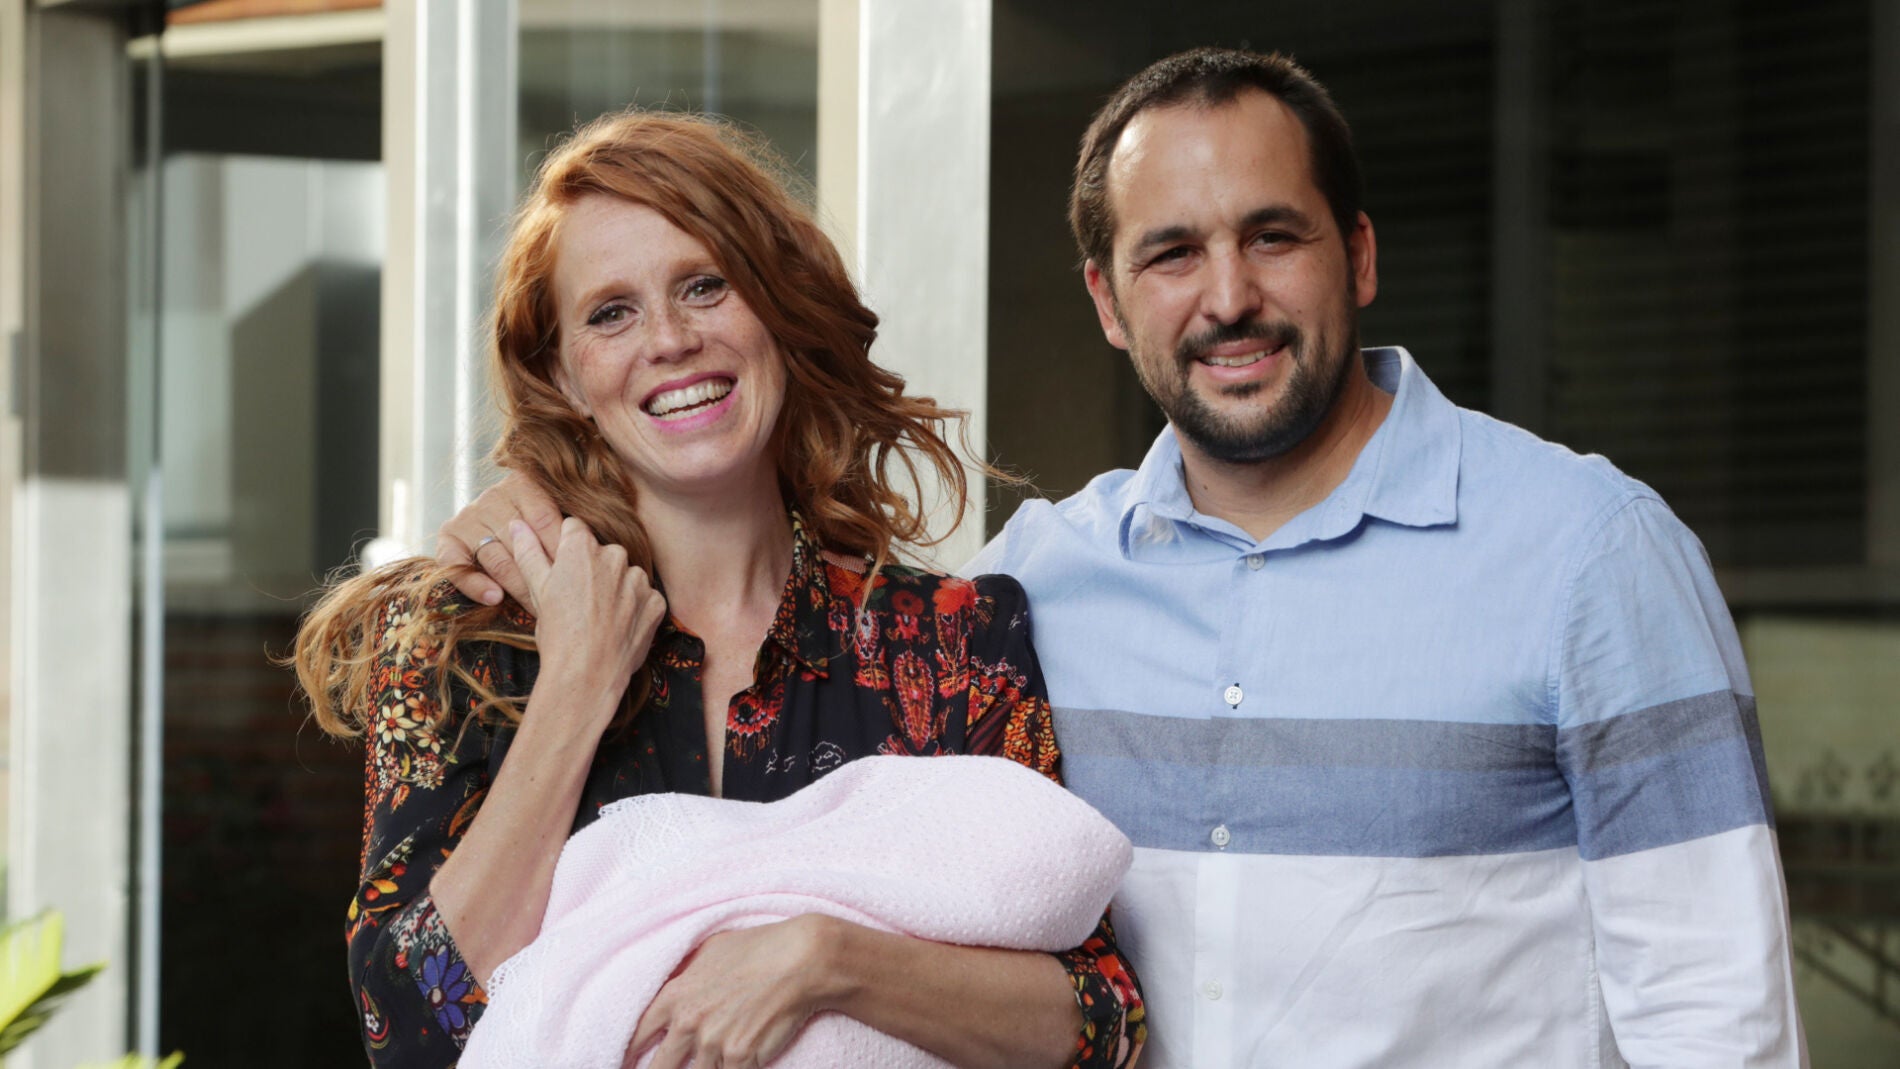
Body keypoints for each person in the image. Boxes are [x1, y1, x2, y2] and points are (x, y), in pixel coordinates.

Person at [442, 49, 1806, 1068]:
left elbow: (1716, 1013)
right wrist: (533, 498)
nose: (1227, 297)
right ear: (1106, 300)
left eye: (1273, 235)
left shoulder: (1586, 554)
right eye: (1170, 254)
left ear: (1361, 255)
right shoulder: (1039, 584)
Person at [295, 110, 1143, 1069]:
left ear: (777, 310)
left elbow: (1100, 1024)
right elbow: (409, 1030)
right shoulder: (462, 639)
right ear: (563, 374)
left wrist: (825, 959)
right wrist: (576, 682)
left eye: (706, 286)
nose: (669, 339)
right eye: (610, 312)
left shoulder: (951, 642)